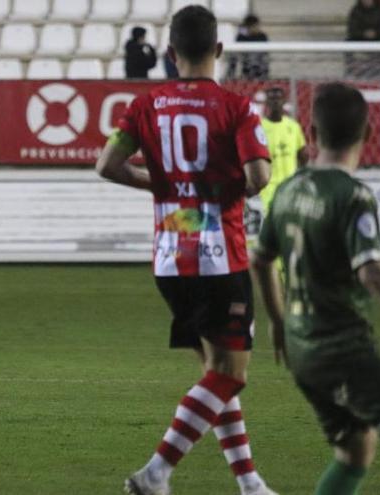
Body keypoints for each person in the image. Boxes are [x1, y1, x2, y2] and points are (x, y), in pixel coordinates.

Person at [95, 6, 277, 495]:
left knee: (215, 372)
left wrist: (165, 184)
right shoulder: (236, 108)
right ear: (218, 51)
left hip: (171, 256)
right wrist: (215, 186)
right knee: (231, 376)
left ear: (170, 55)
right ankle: (156, 473)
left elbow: (107, 165)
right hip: (222, 257)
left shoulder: (144, 105)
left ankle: (250, 484)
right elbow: (260, 178)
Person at [252, 82, 380, 495]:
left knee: (356, 448)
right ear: (368, 136)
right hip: (343, 350)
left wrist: (278, 321)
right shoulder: (351, 195)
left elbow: (260, 260)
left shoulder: (287, 190)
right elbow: (371, 271)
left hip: (301, 351)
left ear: (312, 136)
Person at [258, 86, 308, 213]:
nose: (275, 102)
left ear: (284, 101)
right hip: (269, 188)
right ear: (266, 103)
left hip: (291, 186)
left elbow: (303, 155)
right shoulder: (259, 128)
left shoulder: (293, 127)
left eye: (278, 98)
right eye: (271, 99)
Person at [226, 15, 269, 80]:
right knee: (233, 56)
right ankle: (230, 76)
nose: (257, 28)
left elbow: (265, 53)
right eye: (254, 26)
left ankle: (261, 77)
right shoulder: (241, 37)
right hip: (246, 62)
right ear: (248, 27)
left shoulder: (262, 36)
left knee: (257, 58)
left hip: (259, 63)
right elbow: (235, 50)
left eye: (257, 26)